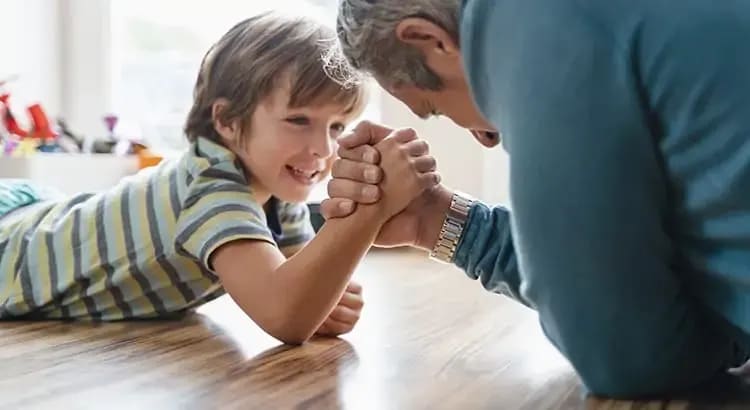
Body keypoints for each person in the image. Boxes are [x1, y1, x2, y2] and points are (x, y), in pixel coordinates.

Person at [323, 0, 750, 398]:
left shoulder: (537, 29)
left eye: (433, 106)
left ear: (430, 40)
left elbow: (629, 357)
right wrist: (435, 222)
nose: (487, 137)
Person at [0, 12, 440, 345]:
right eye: (298, 120)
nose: (323, 150)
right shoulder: (212, 191)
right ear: (227, 121)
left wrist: (321, 299)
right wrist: (369, 208)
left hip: (37, 213)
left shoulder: (274, 187)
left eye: (337, 127)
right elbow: (286, 315)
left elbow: (297, 286)